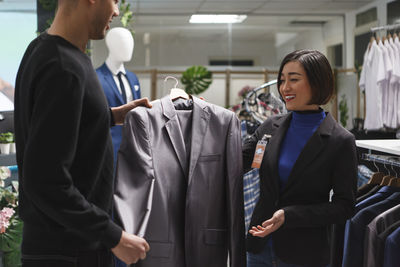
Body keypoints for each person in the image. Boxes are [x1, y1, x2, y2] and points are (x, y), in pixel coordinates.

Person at [14, 0, 151, 266]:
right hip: (67, 251)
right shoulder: (62, 67)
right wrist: (114, 237)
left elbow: (58, 127)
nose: (116, 11)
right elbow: (46, 181)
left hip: (65, 245)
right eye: (113, 1)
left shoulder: (48, 50)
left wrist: (111, 115)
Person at [243, 49, 357, 267]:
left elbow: (345, 206)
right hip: (258, 247)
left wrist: (290, 215)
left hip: (303, 254)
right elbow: (235, 161)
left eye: (294, 80)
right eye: (282, 80)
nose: (285, 88)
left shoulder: (340, 140)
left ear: (317, 82)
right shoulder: (270, 127)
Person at [96, 27, 142, 166]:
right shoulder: (96, 77)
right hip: (106, 151)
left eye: (131, 42)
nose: (129, 47)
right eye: (123, 42)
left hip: (132, 150)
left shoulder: (133, 78)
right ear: (111, 44)